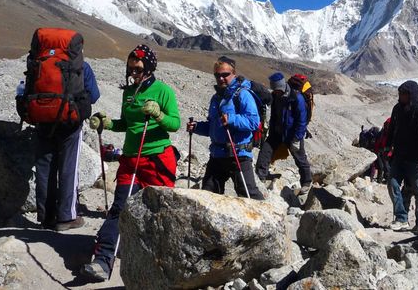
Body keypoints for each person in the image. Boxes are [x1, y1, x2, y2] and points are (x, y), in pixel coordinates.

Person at [80, 45, 180, 282]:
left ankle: (164, 258)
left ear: (149, 67)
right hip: (131, 160)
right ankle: (103, 259)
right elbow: (127, 123)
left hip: (157, 160)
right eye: (130, 68)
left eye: (137, 68)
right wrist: (108, 124)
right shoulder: (129, 92)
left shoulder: (163, 91)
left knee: (160, 212)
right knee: (120, 207)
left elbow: (174, 123)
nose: (133, 72)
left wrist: (158, 115)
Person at [186, 56, 264, 200]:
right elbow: (213, 127)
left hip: (238, 154)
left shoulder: (243, 94)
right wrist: (196, 127)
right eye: (217, 75)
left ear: (233, 74)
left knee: (248, 194)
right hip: (217, 155)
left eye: (225, 75)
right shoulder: (216, 98)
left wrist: (232, 119)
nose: (221, 78)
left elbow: (253, 122)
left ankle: (269, 219)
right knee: (208, 194)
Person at [35, 61, 100, 231]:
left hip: (43, 120)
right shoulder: (81, 66)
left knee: (44, 168)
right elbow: (93, 95)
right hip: (69, 123)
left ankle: (46, 217)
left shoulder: (41, 63)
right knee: (68, 168)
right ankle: (66, 217)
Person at [385, 80, 418, 235]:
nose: (401, 96)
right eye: (400, 93)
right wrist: (388, 146)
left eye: (404, 94)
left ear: (412, 95)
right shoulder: (397, 109)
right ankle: (401, 218)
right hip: (399, 156)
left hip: (416, 160)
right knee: (392, 184)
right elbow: (392, 129)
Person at [255, 72, 312, 194]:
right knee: (265, 151)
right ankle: (260, 177)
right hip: (277, 132)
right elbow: (274, 114)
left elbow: (301, 120)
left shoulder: (297, 98)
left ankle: (307, 181)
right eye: (274, 90)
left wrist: (297, 137)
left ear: (281, 87)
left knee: (299, 157)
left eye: (277, 90)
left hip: (293, 134)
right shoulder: (276, 96)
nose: (275, 92)